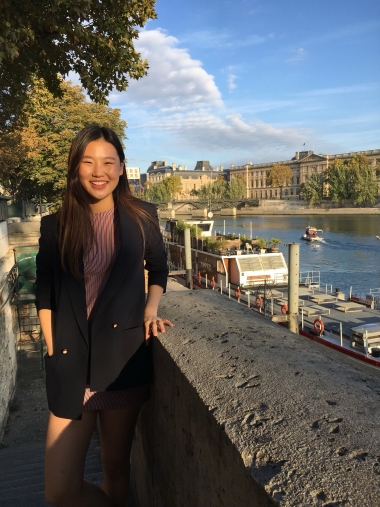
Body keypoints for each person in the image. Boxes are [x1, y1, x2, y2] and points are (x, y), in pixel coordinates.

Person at [35, 124, 172, 507]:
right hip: (69, 363)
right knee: (59, 491)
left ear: (122, 167)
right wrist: (51, 346)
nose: (100, 172)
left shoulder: (143, 216)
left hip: (122, 359)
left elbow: (158, 268)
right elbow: (44, 288)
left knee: (115, 467)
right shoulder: (56, 224)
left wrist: (150, 309)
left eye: (109, 162)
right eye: (89, 162)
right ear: (75, 168)